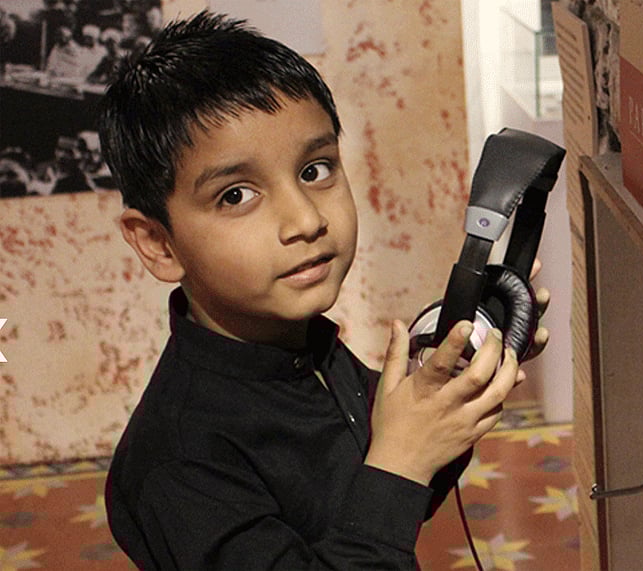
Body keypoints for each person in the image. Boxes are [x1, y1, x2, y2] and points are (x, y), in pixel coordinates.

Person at [98, 11, 549, 569]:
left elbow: (381, 507)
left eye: (314, 170)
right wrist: (402, 460)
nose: (305, 220)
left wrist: (446, 404)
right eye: (236, 195)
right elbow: (391, 484)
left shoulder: (307, 350)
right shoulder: (179, 466)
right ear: (158, 244)